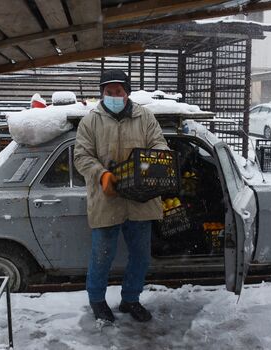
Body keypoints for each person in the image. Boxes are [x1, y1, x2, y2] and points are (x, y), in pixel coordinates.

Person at [73, 69, 169, 323]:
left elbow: (160, 145)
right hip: (107, 199)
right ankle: (97, 301)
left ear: (127, 92)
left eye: (118, 91)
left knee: (140, 255)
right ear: (102, 94)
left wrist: (149, 165)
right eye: (108, 92)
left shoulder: (144, 117)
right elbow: (81, 156)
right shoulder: (90, 121)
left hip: (141, 199)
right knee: (102, 255)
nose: (114, 95)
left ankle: (131, 300)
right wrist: (101, 174)